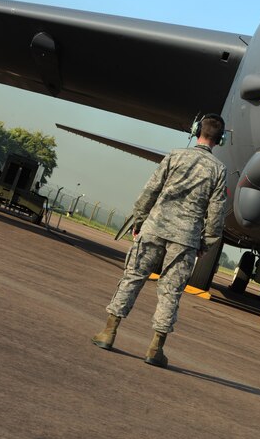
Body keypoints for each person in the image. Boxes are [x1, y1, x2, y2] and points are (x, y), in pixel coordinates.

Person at [91, 113, 228, 368]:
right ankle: (155, 348)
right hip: (185, 239)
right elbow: (216, 213)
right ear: (220, 139)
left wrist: (140, 221)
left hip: (155, 228)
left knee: (132, 277)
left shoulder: (175, 155)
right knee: (171, 292)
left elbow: (150, 190)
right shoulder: (218, 170)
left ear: (196, 130)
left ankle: (108, 332)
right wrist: (205, 243)